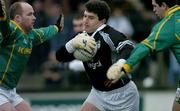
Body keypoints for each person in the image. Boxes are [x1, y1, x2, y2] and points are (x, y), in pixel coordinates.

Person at [56, 0, 139, 111]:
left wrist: (120, 64)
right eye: (85, 16)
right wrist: (71, 44)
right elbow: (60, 57)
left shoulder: (108, 34)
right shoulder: (81, 38)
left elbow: (129, 46)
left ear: (102, 21)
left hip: (122, 95)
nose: (85, 20)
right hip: (98, 94)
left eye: (91, 18)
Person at [106, 0, 179, 111]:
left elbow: (144, 47)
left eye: (155, 6)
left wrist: (124, 67)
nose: (153, 10)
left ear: (164, 5)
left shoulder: (168, 25)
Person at [0, 0, 63, 111]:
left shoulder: (31, 35)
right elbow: (4, 27)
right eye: (29, 14)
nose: (34, 17)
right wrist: (3, 18)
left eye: (33, 13)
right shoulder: (12, 30)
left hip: (10, 90)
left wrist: (56, 27)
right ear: (18, 18)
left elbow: (44, 32)